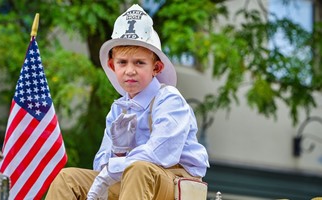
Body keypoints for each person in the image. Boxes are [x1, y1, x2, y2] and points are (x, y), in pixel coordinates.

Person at [45, 4, 209, 200]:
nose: (130, 70)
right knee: (67, 178)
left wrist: (118, 164)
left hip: (174, 181)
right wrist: (118, 152)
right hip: (130, 180)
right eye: (122, 62)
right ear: (112, 65)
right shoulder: (118, 109)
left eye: (139, 62)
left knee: (138, 169)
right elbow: (100, 164)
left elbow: (160, 154)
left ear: (156, 67)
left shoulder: (169, 99)